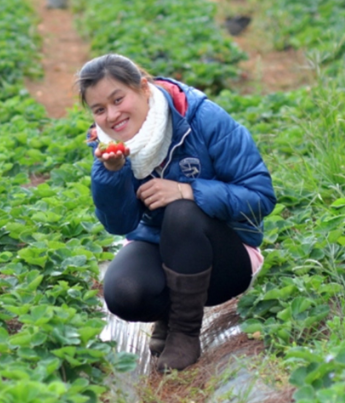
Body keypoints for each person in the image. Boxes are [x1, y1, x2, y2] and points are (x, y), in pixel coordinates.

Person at [76, 54, 276, 372]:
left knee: (182, 212)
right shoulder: (108, 146)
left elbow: (260, 197)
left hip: (224, 254)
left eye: (118, 99)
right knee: (125, 292)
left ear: (143, 87)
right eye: (99, 109)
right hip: (159, 244)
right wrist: (113, 175)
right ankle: (167, 316)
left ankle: (184, 333)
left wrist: (188, 191)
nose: (112, 115)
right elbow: (119, 224)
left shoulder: (201, 118)